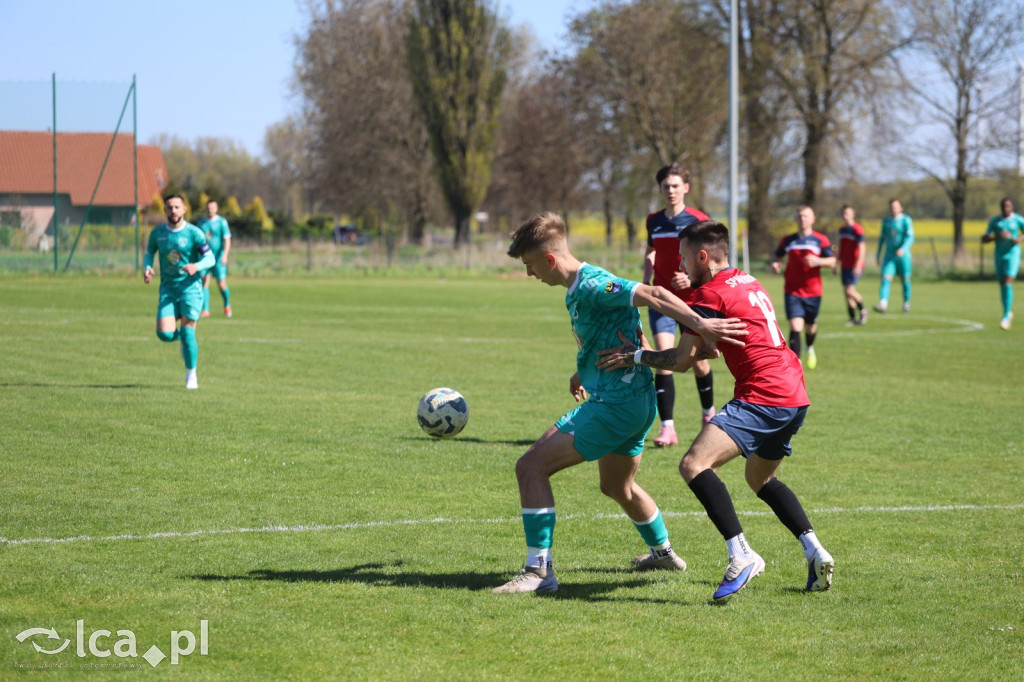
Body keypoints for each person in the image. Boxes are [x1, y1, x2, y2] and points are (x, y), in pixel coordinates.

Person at [492, 212, 747, 595]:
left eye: (529, 265)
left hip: (617, 404)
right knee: (617, 486)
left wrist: (702, 324)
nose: (529, 274)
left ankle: (538, 571)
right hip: (637, 401)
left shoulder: (593, 283)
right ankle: (662, 552)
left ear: (548, 259)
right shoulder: (579, 286)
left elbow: (654, 294)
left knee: (530, 467)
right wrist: (584, 370)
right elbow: (612, 329)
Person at [597, 219, 834, 601]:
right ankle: (814, 550)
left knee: (693, 464)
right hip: (794, 393)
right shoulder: (747, 281)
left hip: (764, 395)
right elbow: (711, 346)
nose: (682, 267)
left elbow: (680, 360)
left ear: (703, 256)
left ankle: (742, 554)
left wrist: (635, 354)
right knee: (761, 480)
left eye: (686, 258)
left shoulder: (709, 294)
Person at [643, 163, 716, 447]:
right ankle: (668, 428)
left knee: (697, 363)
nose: (671, 190)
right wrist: (647, 277)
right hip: (661, 300)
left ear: (686, 188)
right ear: (660, 189)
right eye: (666, 186)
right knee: (664, 357)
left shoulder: (699, 220)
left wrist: (690, 278)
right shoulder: (653, 221)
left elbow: (711, 260)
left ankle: (708, 414)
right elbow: (651, 250)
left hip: (693, 302)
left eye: (676, 185)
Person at [144, 194, 215, 389]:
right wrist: (148, 267)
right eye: (169, 207)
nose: (173, 211)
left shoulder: (194, 233)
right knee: (164, 334)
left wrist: (197, 266)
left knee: (188, 331)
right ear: (165, 210)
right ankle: (182, 338)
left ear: (184, 210)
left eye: (177, 207)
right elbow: (149, 253)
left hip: (190, 290)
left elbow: (210, 259)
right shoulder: (157, 233)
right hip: (167, 289)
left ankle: (191, 376)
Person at [770, 206, 836, 369]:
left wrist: (819, 261)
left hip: (813, 292)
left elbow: (833, 261)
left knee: (811, 327)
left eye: (806, 216)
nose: (802, 219)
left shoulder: (821, 240)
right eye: (799, 216)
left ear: (813, 219)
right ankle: (796, 363)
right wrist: (775, 264)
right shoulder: (788, 240)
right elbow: (776, 255)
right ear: (795, 219)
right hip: (792, 290)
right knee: (795, 326)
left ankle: (810, 347)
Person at [982, 197, 1024, 330]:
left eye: (1008, 206)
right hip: (999, 254)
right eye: (1003, 206)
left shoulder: (1018, 219)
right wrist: (997, 237)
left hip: (1013, 254)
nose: (1006, 208)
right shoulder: (995, 221)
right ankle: (1007, 311)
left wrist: (1018, 239)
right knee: (1002, 283)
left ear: (1012, 207)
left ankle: (1006, 316)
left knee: (1007, 281)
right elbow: (985, 238)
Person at [875, 198, 914, 314]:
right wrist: (878, 254)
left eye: (896, 206)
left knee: (905, 280)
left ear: (901, 208)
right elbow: (882, 239)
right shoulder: (886, 221)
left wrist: (903, 248)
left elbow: (910, 237)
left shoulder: (906, 220)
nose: (894, 209)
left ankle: (906, 303)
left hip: (904, 256)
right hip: (889, 255)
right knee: (885, 279)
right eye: (892, 207)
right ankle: (883, 304)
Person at [196, 199, 233, 318]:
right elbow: (197, 241)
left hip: (218, 258)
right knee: (204, 282)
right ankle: (205, 310)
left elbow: (227, 239)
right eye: (208, 207)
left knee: (221, 284)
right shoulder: (201, 223)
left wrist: (225, 255)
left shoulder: (222, 222)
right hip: (204, 257)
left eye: (212, 207)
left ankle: (227, 305)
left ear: (216, 208)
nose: (210, 209)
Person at [838, 204, 867, 326]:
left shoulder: (857, 229)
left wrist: (858, 264)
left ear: (852, 214)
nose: (845, 216)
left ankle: (863, 310)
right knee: (846, 293)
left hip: (854, 265)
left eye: (848, 213)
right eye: (844, 213)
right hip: (845, 265)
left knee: (850, 290)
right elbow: (841, 248)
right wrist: (836, 263)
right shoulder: (842, 230)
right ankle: (852, 318)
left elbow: (862, 247)